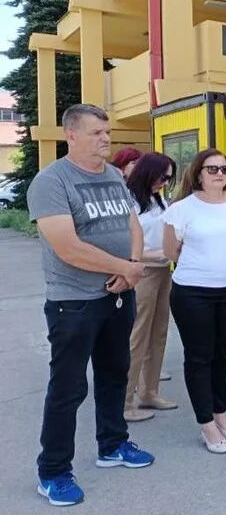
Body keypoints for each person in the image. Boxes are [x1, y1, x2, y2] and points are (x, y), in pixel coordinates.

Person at [27, 104, 153, 507]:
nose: (105, 138)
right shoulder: (51, 182)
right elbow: (68, 248)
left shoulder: (114, 175)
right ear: (72, 135)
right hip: (74, 303)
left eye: (107, 131)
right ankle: (52, 471)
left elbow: (132, 224)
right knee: (68, 388)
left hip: (118, 295)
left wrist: (131, 267)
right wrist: (125, 269)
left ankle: (112, 444)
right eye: (96, 132)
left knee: (115, 374)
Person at [163, 149, 226, 453]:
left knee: (224, 354)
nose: (219, 174)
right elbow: (171, 251)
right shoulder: (181, 209)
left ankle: (220, 412)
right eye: (212, 169)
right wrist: (204, 260)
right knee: (199, 356)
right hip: (193, 291)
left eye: (224, 168)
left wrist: (222, 258)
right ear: (198, 173)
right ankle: (205, 422)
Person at [123, 152, 179, 423]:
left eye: (168, 178)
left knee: (158, 334)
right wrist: (159, 254)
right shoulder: (128, 200)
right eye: (162, 177)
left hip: (163, 272)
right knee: (137, 337)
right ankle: (124, 401)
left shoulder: (159, 199)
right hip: (141, 273)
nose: (164, 182)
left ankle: (149, 392)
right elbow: (125, 246)